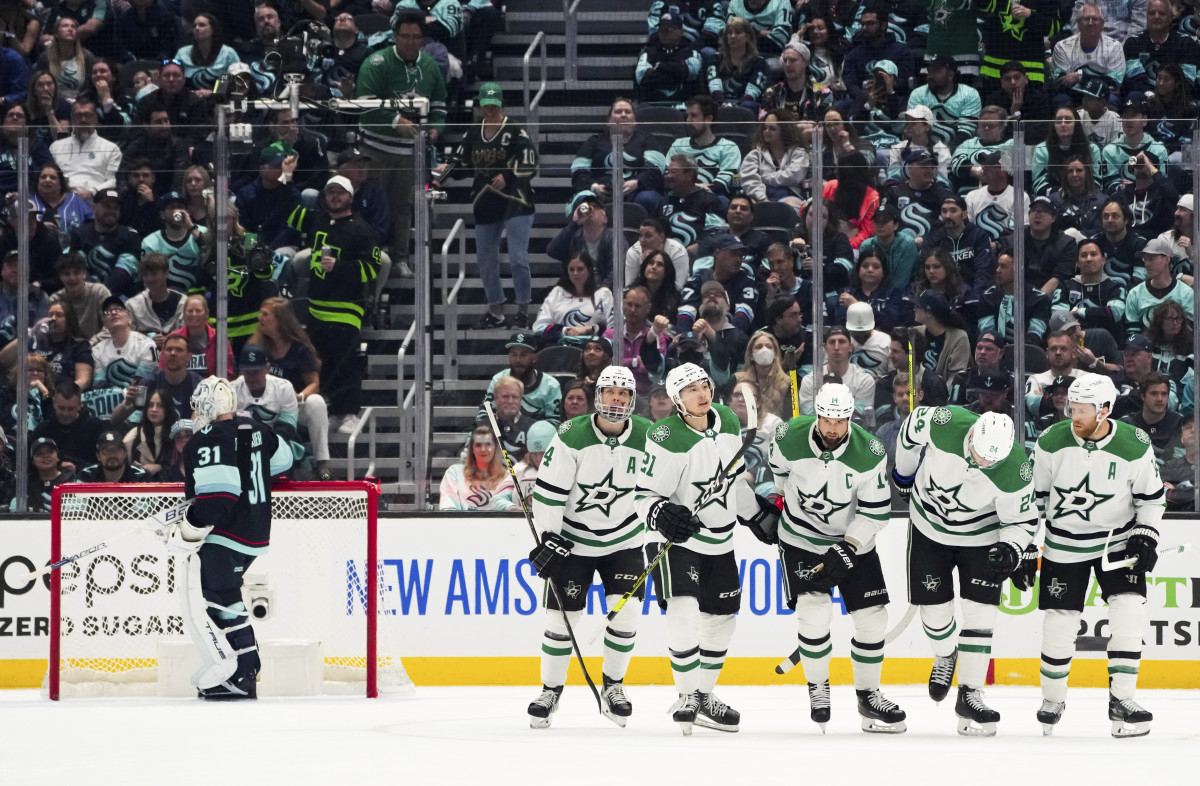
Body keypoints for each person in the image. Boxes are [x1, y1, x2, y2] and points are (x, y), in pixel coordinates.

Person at [1030, 373, 1165, 737]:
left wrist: (1146, 533)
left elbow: (1151, 499)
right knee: (1059, 623)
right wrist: (1027, 543)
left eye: (1084, 409)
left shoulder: (1134, 444)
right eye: (1072, 406)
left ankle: (1122, 701)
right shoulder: (1050, 441)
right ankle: (1052, 699)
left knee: (1130, 615)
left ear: (1105, 410)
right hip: (1063, 544)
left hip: (1116, 544)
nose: (1074, 414)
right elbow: (1034, 499)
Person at [768, 382, 905, 732]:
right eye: (827, 419)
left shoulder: (870, 451)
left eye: (840, 421)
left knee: (873, 619)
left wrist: (848, 547)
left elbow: (875, 512)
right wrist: (778, 499)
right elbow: (778, 475)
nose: (832, 428)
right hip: (801, 539)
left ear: (850, 418)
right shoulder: (787, 436)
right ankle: (818, 688)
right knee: (814, 615)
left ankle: (869, 696)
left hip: (852, 542)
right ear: (818, 415)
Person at [891, 407, 1036, 736]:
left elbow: (1023, 521)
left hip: (982, 537)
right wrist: (903, 475)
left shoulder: (1016, 469)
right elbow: (909, 433)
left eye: (990, 462)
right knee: (935, 612)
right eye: (979, 455)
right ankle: (945, 654)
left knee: (981, 615)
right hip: (928, 527)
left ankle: (970, 693)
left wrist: (1011, 547)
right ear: (971, 436)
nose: (982, 463)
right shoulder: (945, 423)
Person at [633, 362, 756, 734]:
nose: (701, 393)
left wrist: (756, 515)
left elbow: (733, 483)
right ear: (676, 400)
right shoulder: (664, 434)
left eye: (704, 385)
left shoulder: (729, 422)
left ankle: (704, 696)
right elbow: (643, 495)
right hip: (678, 539)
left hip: (721, 539)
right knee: (683, 613)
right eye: (690, 390)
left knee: (721, 621)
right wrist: (660, 511)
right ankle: (686, 695)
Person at [526, 366, 650, 727]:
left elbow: (663, 484)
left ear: (631, 399)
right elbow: (549, 493)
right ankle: (550, 691)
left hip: (625, 538)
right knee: (560, 619)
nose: (617, 399)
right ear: (598, 396)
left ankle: (614, 687)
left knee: (626, 614)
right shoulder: (570, 435)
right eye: (611, 392)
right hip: (572, 541)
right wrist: (549, 537)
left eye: (624, 394)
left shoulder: (649, 436)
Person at [163, 376, 293, 700]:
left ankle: (245, 669)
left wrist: (188, 529)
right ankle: (243, 667)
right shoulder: (256, 428)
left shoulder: (207, 438)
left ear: (206, 406)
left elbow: (218, 497)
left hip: (226, 532)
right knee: (221, 593)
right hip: (255, 528)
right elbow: (285, 459)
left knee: (218, 595)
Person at [284, 175, 381, 436]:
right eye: (330, 193)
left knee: (346, 360)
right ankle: (329, 408)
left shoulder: (362, 229)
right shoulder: (317, 219)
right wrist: (290, 181)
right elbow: (291, 218)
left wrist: (340, 268)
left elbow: (372, 268)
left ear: (350, 196)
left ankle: (349, 411)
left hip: (346, 308)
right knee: (319, 360)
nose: (335, 197)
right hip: (317, 308)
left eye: (340, 192)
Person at [435, 82, 538, 328]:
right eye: (486, 105)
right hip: (484, 201)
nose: (490, 109)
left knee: (517, 258)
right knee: (484, 259)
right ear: (480, 106)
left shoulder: (514, 130)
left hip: (516, 201)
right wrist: (442, 175)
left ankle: (523, 309)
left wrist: (507, 175)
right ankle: (496, 310)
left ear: (501, 104)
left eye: (494, 104)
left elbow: (530, 162)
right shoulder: (472, 133)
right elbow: (461, 161)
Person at [356, 10, 448, 271]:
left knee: (403, 205)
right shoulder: (376, 62)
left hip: (411, 152)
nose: (409, 41)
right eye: (404, 36)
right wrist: (397, 121)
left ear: (423, 38)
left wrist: (436, 128)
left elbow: (440, 105)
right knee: (372, 203)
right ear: (394, 36)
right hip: (374, 149)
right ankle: (370, 255)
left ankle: (400, 258)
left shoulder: (430, 67)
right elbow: (364, 104)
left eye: (415, 37)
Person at [250, 297, 330, 482]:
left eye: (265, 314)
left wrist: (299, 396)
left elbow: (314, 383)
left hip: (293, 405)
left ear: (280, 319)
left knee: (316, 402)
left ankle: (322, 463)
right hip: (265, 405)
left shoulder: (300, 350)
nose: (259, 318)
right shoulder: (257, 348)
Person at [570, 97, 667, 216]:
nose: (623, 115)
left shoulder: (648, 140)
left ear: (635, 120)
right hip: (600, 193)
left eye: (628, 112)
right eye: (618, 112)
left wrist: (636, 183)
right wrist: (594, 187)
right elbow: (578, 171)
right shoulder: (594, 141)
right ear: (609, 120)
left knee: (649, 199)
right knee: (583, 203)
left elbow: (656, 171)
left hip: (637, 191)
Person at [667, 95, 743, 209]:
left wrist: (692, 188)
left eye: (693, 116)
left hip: (711, 199)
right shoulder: (678, 145)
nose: (688, 121)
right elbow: (668, 176)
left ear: (708, 120)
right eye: (687, 116)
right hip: (678, 197)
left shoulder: (728, 147)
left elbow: (722, 184)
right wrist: (697, 187)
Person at [0, 300, 94, 390]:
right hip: (30, 394)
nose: (53, 319)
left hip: (60, 396)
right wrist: (30, 333)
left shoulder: (79, 346)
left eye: (59, 315)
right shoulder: (34, 342)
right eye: (50, 315)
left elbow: (83, 380)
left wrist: (64, 397)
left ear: (69, 319)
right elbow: (4, 359)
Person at [67, 187, 141, 298]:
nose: (111, 211)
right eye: (107, 206)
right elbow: (78, 268)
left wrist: (101, 297)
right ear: (94, 207)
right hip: (85, 294)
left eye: (115, 208)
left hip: (119, 296)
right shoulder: (79, 233)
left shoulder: (130, 236)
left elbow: (122, 274)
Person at [89, 295, 156, 419]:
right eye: (108, 311)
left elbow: (142, 386)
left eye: (119, 309)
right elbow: (100, 388)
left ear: (129, 319)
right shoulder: (97, 351)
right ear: (104, 323)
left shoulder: (146, 345)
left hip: (143, 408)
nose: (113, 312)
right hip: (110, 411)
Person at [477, 332, 562, 426]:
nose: (518, 360)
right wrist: (498, 436)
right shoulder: (498, 379)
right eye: (514, 354)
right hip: (503, 435)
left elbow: (556, 422)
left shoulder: (550, 385)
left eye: (523, 355)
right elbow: (485, 414)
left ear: (534, 358)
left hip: (538, 438)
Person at [531, 252, 615, 346]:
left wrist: (591, 329)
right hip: (561, 349)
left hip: (594, 349)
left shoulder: (603, 294)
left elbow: (613, 328)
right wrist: (565, 331)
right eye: (571, 269)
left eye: (580, 269)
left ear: (589, 270)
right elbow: (539, 326)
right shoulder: (557, 293)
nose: (575, 273)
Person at [977, 246, 1052, 345]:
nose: (997, 270)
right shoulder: (987, 297)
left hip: (1028, 351)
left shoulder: (1039, 299)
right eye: (998, 266)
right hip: (994, 352)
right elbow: (987, 334)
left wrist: (1015, 352)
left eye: (1003, 266)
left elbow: (1035, 334)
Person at [547, 194, 624, 290]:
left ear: (605, 219)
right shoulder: (574, 238)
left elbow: (615, 272)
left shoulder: (614, 238)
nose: (590, 211)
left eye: (595, 207)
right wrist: (574, 223)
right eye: (585, 207)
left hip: (607, 294)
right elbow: (552, 251)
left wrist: (601, 293)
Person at [48, 98, 120, 200]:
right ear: (72, 119)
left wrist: (92, 191)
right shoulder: (56, 147)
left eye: (87, 115)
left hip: (95, 201)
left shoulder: (111, 148)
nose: (83, 120)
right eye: (78, 115)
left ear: (95, 118)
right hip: (62, 199)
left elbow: (113, 181)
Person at [907, 55, 982, 150]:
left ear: (951, 75)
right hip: (923, 149)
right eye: (929, 71)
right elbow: (914, 128)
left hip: (959, 149)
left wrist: (947, 150)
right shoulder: (918, 93)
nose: (930, 76)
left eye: (936, 71)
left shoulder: (969, 94)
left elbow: (966, 131)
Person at [1124, 237, 1194, 339]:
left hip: (1178, 351)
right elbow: (1132, 335)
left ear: (1167, 259)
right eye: (1145, 259)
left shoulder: (1186, 293)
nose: (1146, 264)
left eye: (1151, 259)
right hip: (1147, 352)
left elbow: (1190, 333)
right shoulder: (1135, 294)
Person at [738, 109, 808, 211]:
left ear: (784, 131)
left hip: (789, 196)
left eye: (772, 129)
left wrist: (765, 178)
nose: (767, 131)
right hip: (760, 197)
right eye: (765, 128)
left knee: (790, 210)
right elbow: (749, 179)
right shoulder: (755, 154)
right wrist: (763, 199)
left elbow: (793, 176)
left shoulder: (799, 152)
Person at [797, 327, 875, 416]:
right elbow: (809, 415)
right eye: (832, 342)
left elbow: (859, 416)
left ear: (851, 347)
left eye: (841, 342)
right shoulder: (810, 380)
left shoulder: (864, 380)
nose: (836, 347)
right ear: (825, 347)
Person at [30, 381, 104, 472]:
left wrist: (78, 468)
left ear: (80, 405)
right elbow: (32, 462)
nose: (65, 413)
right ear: (53, 403)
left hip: (87, 479)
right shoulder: (43, 429)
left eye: (71, 409)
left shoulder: (95, 426)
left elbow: (103, 461)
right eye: (61, 408)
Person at [1032, 106, 1102, 197]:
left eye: (1068, 120)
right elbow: (1038, 184)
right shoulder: (1042, 149)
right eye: (1059, 120)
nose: (1063, 124)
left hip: (1085, 198)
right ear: (1054, 124)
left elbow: (1097, 182)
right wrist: (1060, 192)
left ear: (1076, 124)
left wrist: (1079, 192)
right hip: (1053, 199)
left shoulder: (1092, 149)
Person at [635, 12, 703, 105]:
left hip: (684, 105)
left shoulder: (691, 51)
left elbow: (690, 71)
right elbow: (642, 78)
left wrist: (660, 67)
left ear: (681, 32)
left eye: (667, 30)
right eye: (660, 29)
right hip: (653, 103)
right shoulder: (648, 51)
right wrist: (676, 72)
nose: (663, 33)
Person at [161, 295, 235, 379]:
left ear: (207, 314)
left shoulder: (219, 339)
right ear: (184, 313)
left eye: (198, 311)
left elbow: (227, 374)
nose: (194, 314)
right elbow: (163, 370)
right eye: (190, 311)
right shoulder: (172, 338)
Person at [707, 15, 770, 113]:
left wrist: (735, 107)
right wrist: (722, 103)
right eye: (729, 33)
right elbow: (715, 88)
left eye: (738, 32)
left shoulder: (758, 62)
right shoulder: (715, 59)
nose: (733, 36)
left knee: (747, 105)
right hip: (720, 104)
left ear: (748, 36)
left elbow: (751, 94)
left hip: (746, 107)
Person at [439, 424, 509, 510]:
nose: (483, 449)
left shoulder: (507, 477)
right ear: (472, 449)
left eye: (488, 444)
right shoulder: (455, 473)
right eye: (478, 445)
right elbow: (448, 509)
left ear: (495, 448)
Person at [1118, 371, 1181, 462]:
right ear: (1143, 396)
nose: (1160, 399)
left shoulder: (1180, 424)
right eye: (1154, 393)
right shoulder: (1126, 424)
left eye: (1164, 394)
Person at [125, 252, 186, 347]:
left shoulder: (183, 303)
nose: (149, 279)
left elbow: (190, 335)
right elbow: (125, 338)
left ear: (166, 273)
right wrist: (147, 340)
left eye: (153, 274)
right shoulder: (132, 305)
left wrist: (171, 339)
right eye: (145, 275)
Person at [176, 13, 240, 95]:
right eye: (195, 25)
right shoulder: (182, 53)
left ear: (213, 29)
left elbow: (240, 82)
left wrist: (213, 93)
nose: (197, 28)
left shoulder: (228, 53)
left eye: (202, 25)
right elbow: (174, 78)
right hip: (189, 101)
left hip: (220, 102)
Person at [48, 251, 109, 338]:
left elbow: (111, 326)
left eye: (76, 273)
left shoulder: (100, 292)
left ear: (84, 274)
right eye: (66, 274)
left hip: (98, 347)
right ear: (60, 277)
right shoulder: (55, 299)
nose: (72, 278)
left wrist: (90, 344)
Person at [734, 332, 791, 420]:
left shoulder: (787, 383)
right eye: (758, 347)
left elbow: (789, 417)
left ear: (775, 354)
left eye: (769, 347)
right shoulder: (737, 380)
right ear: (751, 355)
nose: (764, 350)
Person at [123, 388, 176, 478]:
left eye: (160, 406)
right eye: (150, 405)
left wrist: (160, 468)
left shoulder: (177, 434)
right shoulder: (133, 436)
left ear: (168, 408)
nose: (154, 410)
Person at [76, 426, 153, 483]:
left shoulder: (141, 476)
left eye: (116, 450)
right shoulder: (86, 475)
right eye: (106, 451)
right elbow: (76, 503)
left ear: (125, 453)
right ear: (98, 456)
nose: (112, 455)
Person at [21, 436, 74, 513]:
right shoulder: (27, 485)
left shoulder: (71, 480)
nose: (46, 456)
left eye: (50, 452)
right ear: (33, 461)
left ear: (58, 457)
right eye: (39, 454)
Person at [631, 249, 684, 322]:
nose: (654, 267)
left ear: (667, 271)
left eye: (659, 264)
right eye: (651, 263)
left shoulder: (674, 298)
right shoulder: (631, 292)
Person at [1161, 412, 1196, 511]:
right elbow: (1160, 498)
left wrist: (1176, 491)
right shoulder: (1169, 467)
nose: (1193, 430)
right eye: (1188, 427)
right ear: (1181, 438)